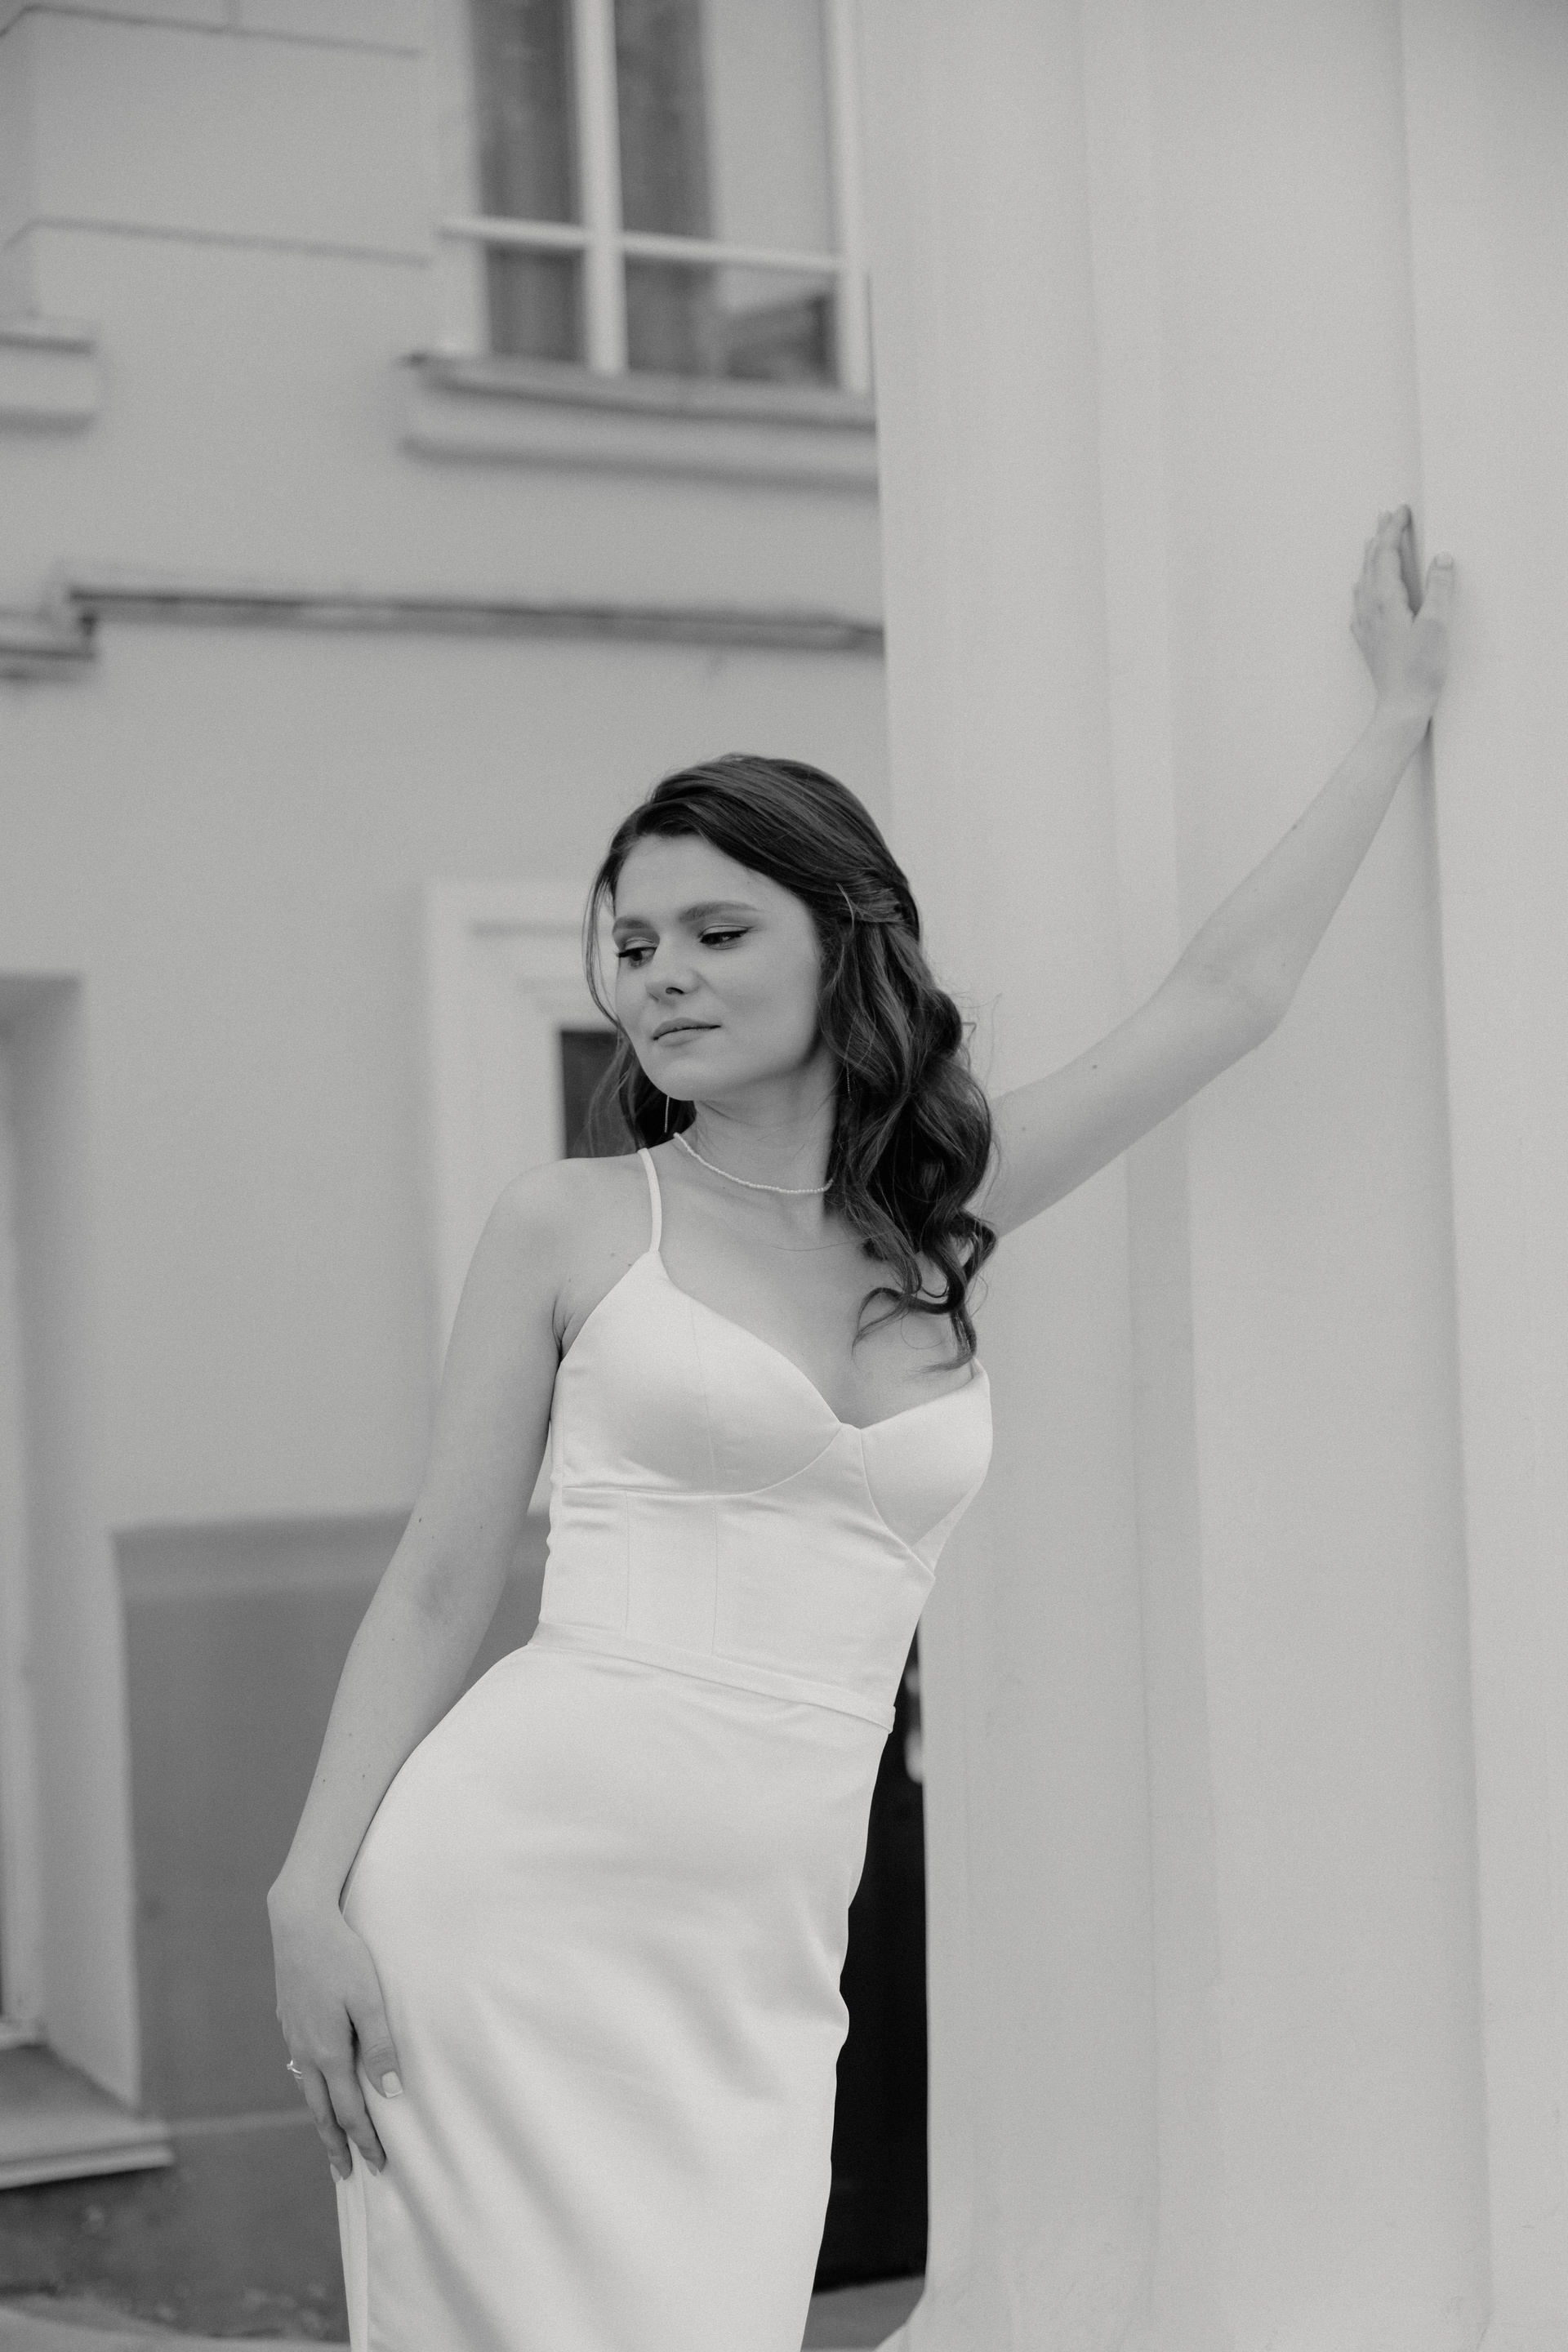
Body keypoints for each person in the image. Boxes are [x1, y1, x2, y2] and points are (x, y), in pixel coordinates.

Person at [268, 509, 1452, 2352]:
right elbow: (437, 1582)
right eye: (634, 941)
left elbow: (1227, 1000)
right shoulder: (570, 1223)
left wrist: (1396, 718)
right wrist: (306, 1892)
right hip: (503, 1898)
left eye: (717, 930)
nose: (660, 973)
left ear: (844, 944)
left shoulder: (938, 1219)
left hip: (759, 1946)